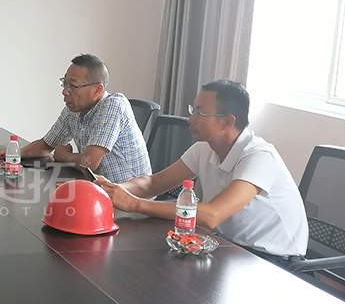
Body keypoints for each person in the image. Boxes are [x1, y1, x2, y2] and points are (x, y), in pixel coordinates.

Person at [96, 79, 308, 264]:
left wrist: (134, 204)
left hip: (272, 260)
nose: (191, 119)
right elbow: (153, 184)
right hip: (226, 246)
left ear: (227, 121)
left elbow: (212, 215)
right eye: (193, 110)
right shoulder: (205, 148)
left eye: (200, 113)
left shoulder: (259, 157)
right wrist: (111, 189)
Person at [0, 54, 151, 183]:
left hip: (130, 198)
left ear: (97, 90)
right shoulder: (74, 109)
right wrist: (14, 154)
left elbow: (89, 163)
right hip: (99, 188)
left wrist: (64, 156)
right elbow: (46, 144)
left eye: (73, 86)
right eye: (65, 83)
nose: (65, 91)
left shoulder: (113, 106)